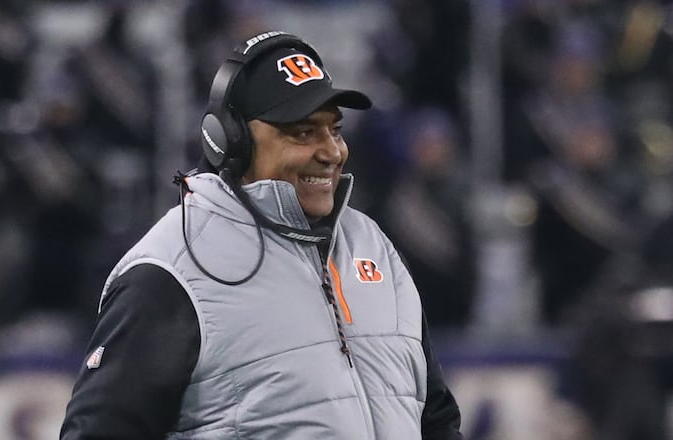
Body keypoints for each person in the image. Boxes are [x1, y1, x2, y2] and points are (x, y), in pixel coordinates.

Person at [60, 30, 464, 440]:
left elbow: (437, 422)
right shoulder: (171, 269)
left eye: (335, 130)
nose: (332, 151)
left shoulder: (371, 245)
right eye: (303, 133)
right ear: (230, 142)